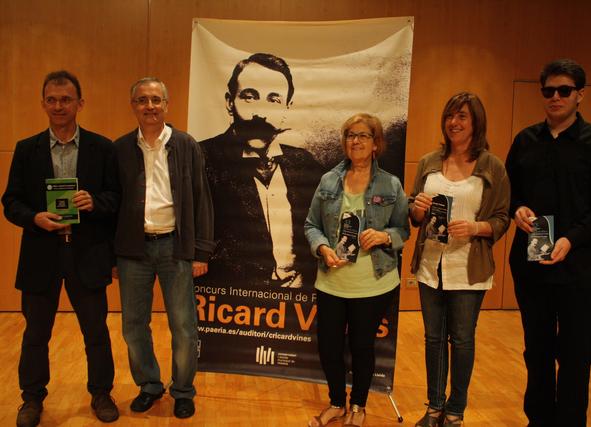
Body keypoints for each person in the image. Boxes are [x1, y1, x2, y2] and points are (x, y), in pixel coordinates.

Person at [506, 59, 591, 426]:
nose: (555, 97)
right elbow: (508, 194)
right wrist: (517, 209)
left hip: (578, 269)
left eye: (564, 90)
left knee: (575, 355)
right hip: (532, 265)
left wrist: (571, 239)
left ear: (580, 95)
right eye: (548, 91)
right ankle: (538, 420)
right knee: (536, 352)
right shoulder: (525, 140)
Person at [2, 70, 120, 426]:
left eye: (65, 99)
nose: (58, 106)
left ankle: (101, 393)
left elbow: (116, 198)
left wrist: (95, 202)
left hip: (87, 254)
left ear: (79, 103)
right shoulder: (27, 149)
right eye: (51, 100)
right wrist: (34, 217)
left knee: (95, 332)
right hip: (41, 253)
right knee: (36, 334)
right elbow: (10, 202)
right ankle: (31, 399)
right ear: (43, 104)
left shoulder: (102, 148)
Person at [113, 77, 214, 419]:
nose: (150, 106)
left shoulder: (186, 145)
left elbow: (201, 198)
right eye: (142, 100)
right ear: (133, 106)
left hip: (176, 247)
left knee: (184, 327)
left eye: (156, 100)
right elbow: (114, 205)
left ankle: (183, 390)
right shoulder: (121, 148)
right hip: (134, 251)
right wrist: (113, 255)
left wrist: (201, 252)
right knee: (133, 326)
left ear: (166, 105)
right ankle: (150, 386)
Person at [409, 92, 510, 426]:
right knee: (433, 339)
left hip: (468, 267)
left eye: (462, 116)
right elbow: (414, 212)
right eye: (450, 116)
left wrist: (476, 227)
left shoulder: (492, 166)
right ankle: (434, 407)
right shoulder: (428, 162)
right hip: (430, 265)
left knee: (462, 340)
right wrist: (417, 209)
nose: (454, 122)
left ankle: (455, 411)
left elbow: (502, 218)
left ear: (476, 122)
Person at [305, 113, 409, 427]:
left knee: (362, 347)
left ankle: (358, 406)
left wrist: (384, 236)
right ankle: (337, 402)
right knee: (329, 348)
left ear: (376, 144)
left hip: (373, 283)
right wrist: (322, 248)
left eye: (364, 135)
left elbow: (402, 230)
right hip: (332, 282)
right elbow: (311, 226)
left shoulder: (390, 184)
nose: (356, 141)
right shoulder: (328, 180)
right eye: (351, 135)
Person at [200, 52, 324, 288]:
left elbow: (319, 229)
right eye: (249, 97)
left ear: (287, 108)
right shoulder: (202, 158)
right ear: (229, 102)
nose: (261, 112)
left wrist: (305, 276)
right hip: (233, 297)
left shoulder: (305, 164)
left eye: (273, 100)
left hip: (296, 298)